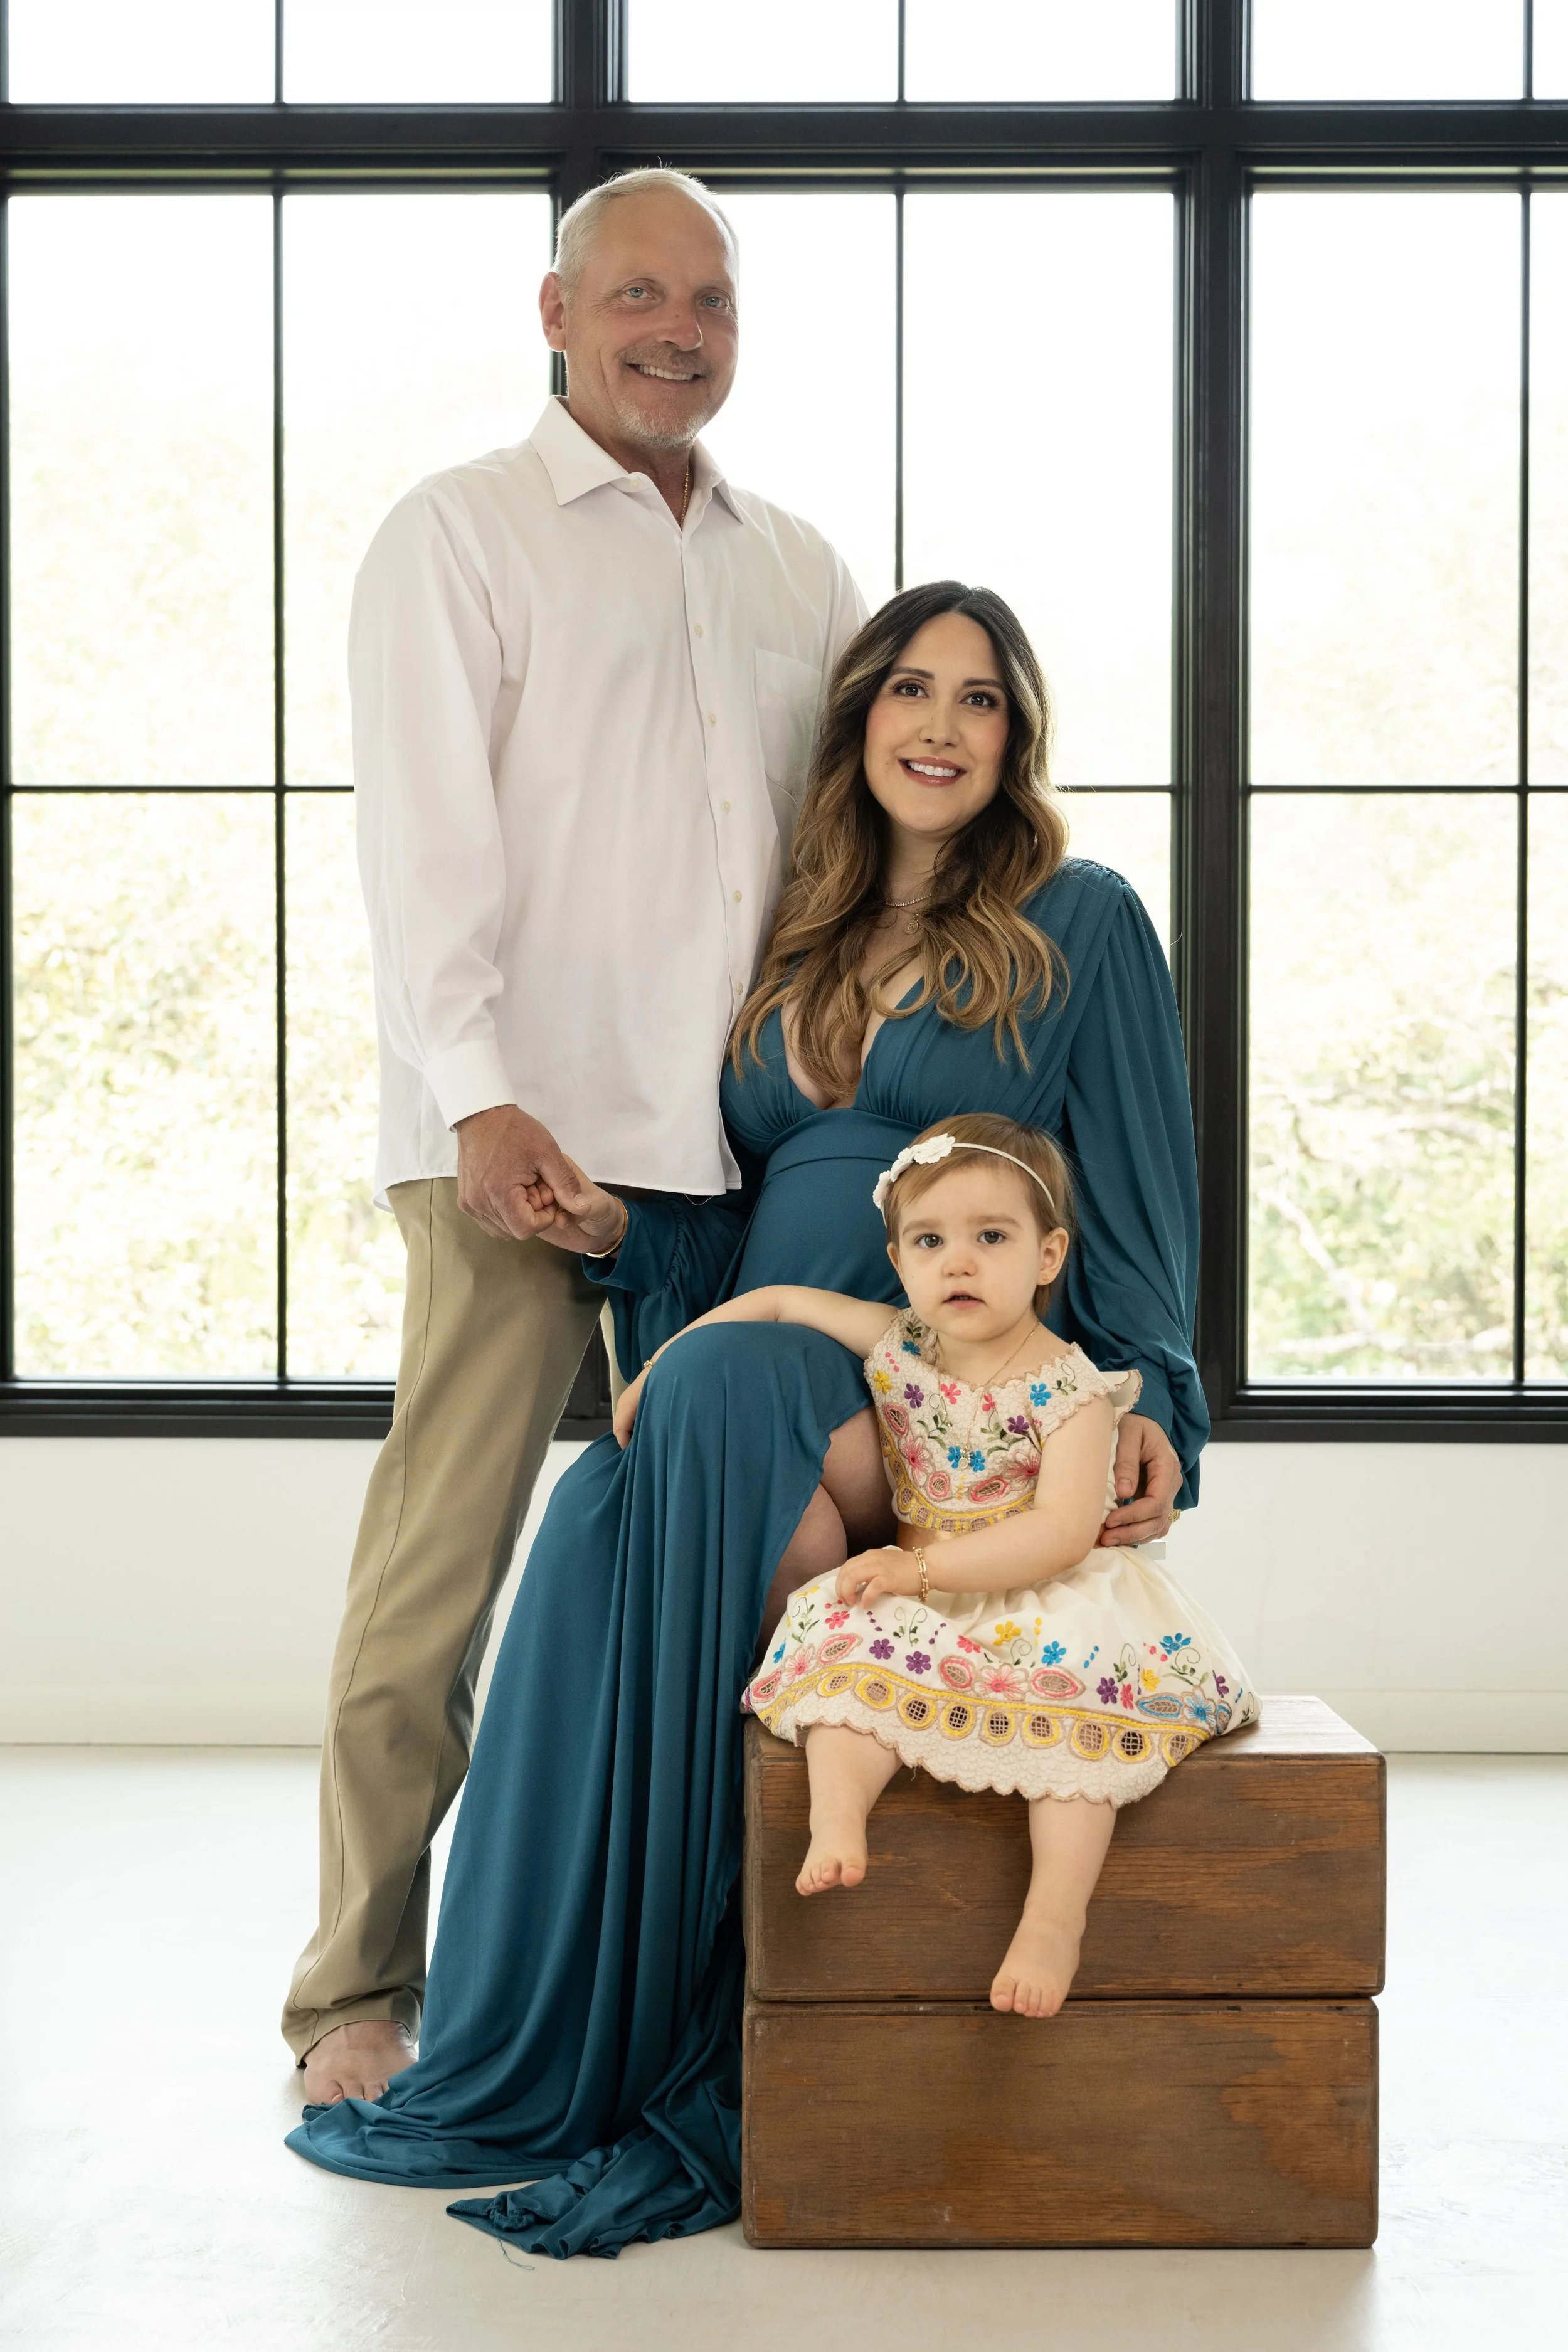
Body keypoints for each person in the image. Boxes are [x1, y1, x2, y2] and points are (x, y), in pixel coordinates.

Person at [287, 580, 1208, 2259]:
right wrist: (621, 1241)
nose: (938, 722)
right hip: (753, 1343)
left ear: (1016, 739)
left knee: (708, 1387)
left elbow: (1140, 1197)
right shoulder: (790, 933)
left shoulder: (1082, 921)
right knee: (599, 1508)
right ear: (854, 719)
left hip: (936, 1381)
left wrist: (1169, 1409)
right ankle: (599, 2023)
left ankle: (694, 2034)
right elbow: (745, 1217)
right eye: (907, 689)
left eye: (979, 697)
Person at [283, 165, 866, 2105]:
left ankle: (672, 1982)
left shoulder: (798, 565)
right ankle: (352, 1986)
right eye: (633, 292)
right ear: (555, 311)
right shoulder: (459, 536)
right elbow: (422, 842)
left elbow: (840, 851)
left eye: (706, 298)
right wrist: (475, 1091)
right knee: (435, 1581)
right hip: (520, 1144)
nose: (672, 327)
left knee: (718, 1583)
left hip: (734, 1162)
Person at [617, 1112, 1255, 2020]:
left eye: (990, 1238)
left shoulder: (1070, 1388)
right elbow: (778, 1303)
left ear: (1048, 1255)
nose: (958, 1263)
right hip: (926, 1593)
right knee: (840, 1660)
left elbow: (1065, 1531)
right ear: (899, 1257)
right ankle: (839, 1813)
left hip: (1045, 1594)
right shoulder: (900, 1345)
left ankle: (1053, 1916)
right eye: (930, 1241)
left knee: (1075, 1740)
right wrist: (663, 1364)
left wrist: (923, 1571)